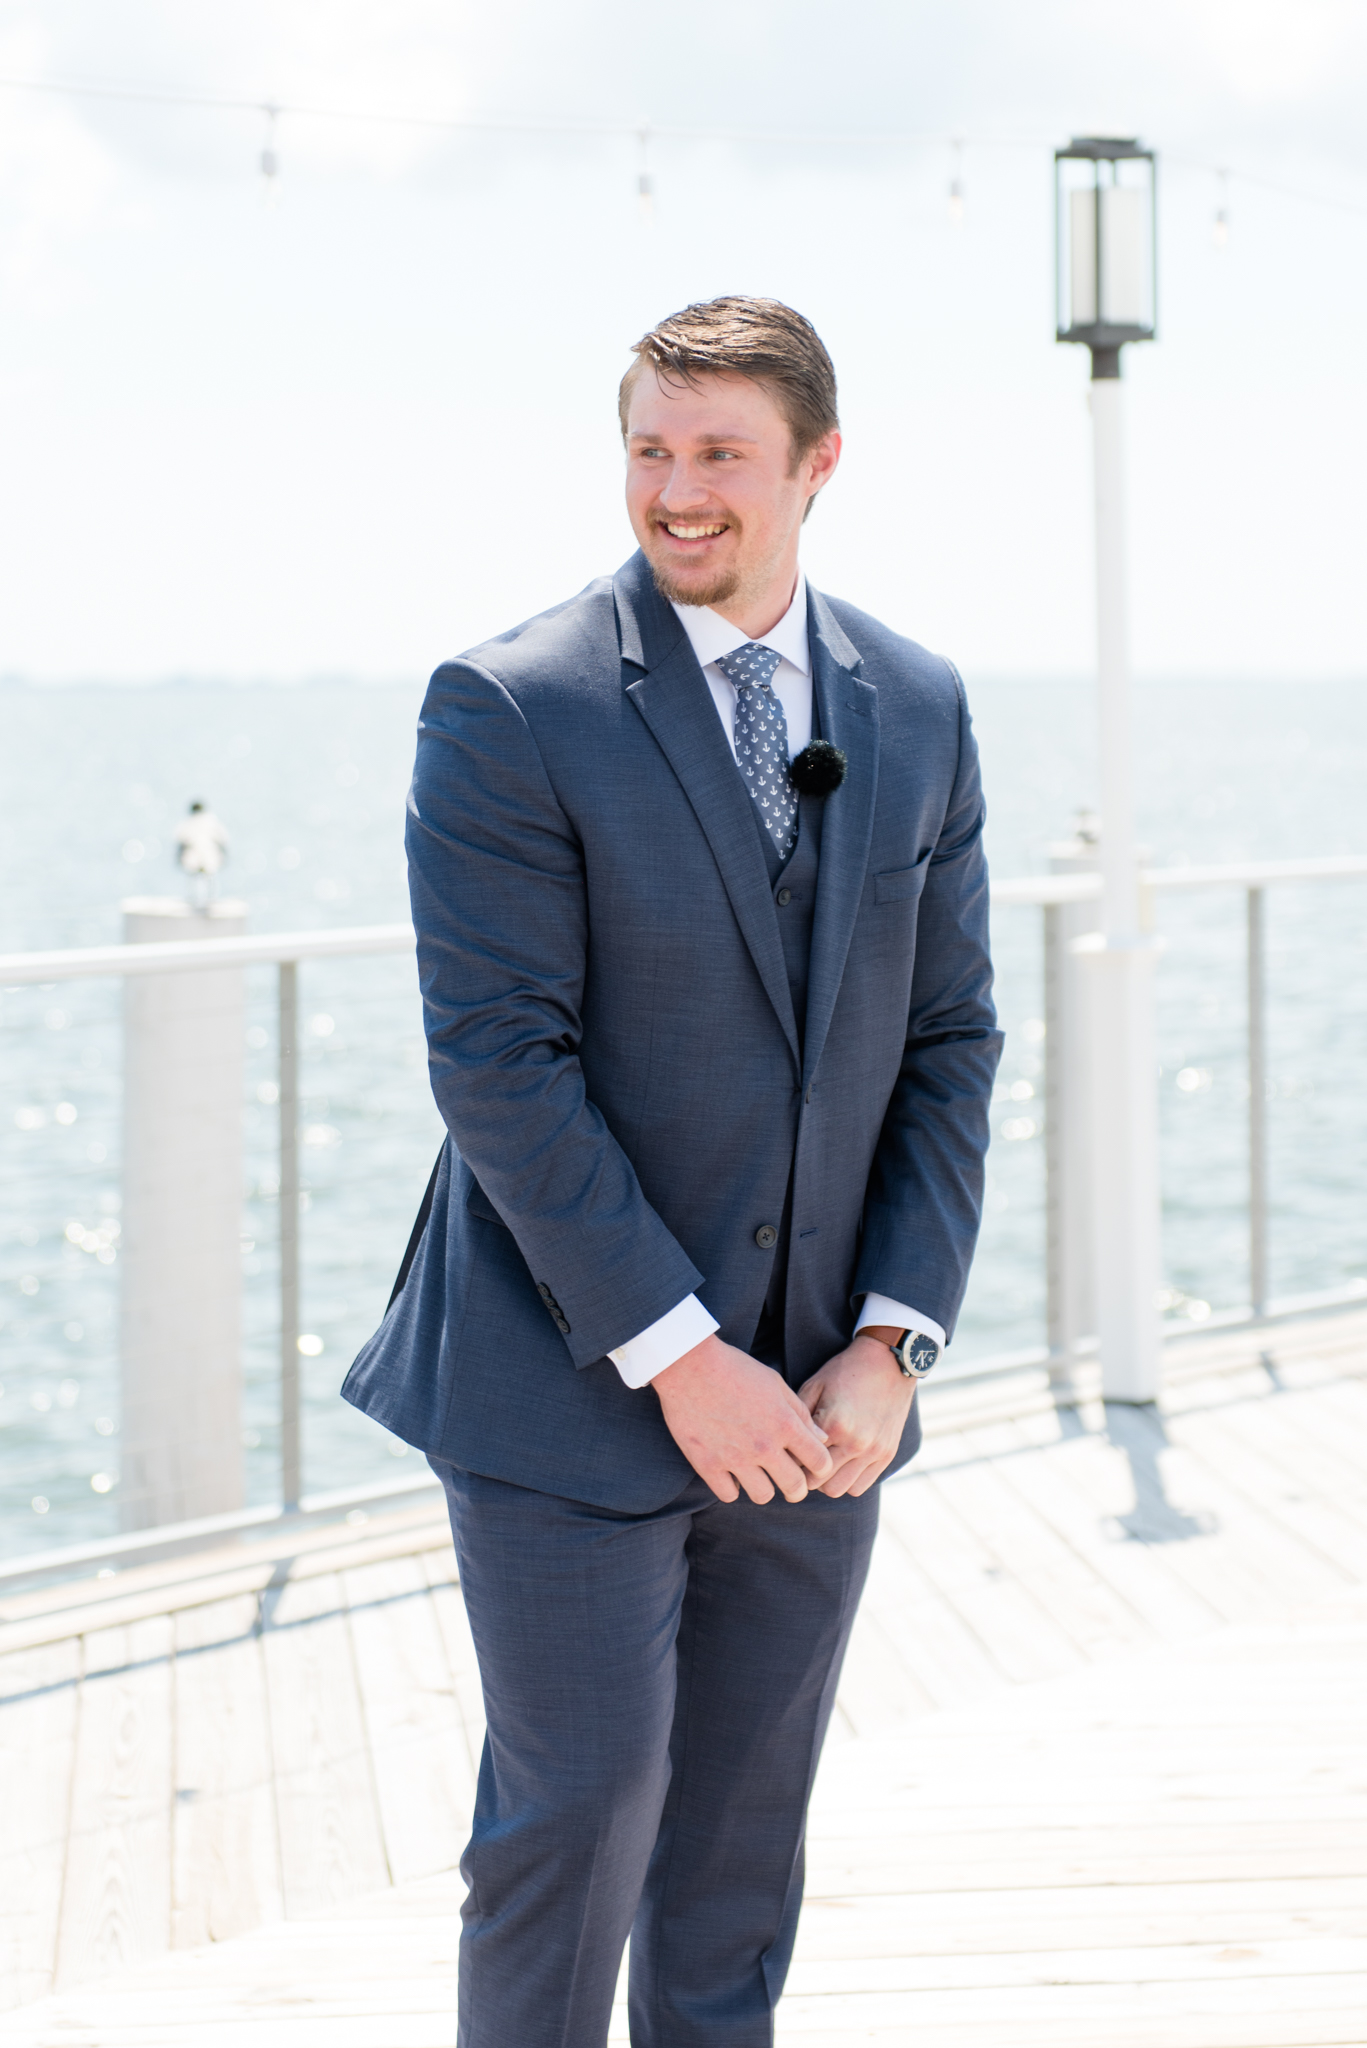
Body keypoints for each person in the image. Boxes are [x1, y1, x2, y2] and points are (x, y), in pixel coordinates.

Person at [343, 295, 1002, 2048]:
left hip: (824, 1401)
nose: (679, 491)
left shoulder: (918, 703)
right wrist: (676, 1352)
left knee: (734, 1857)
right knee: (575, 1827)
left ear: (819, 464)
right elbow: (501, 1061)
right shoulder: (511, 703)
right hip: (568, 1382)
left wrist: (894, 1340)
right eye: (652, 448)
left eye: (721, 453)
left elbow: (952, 1042)